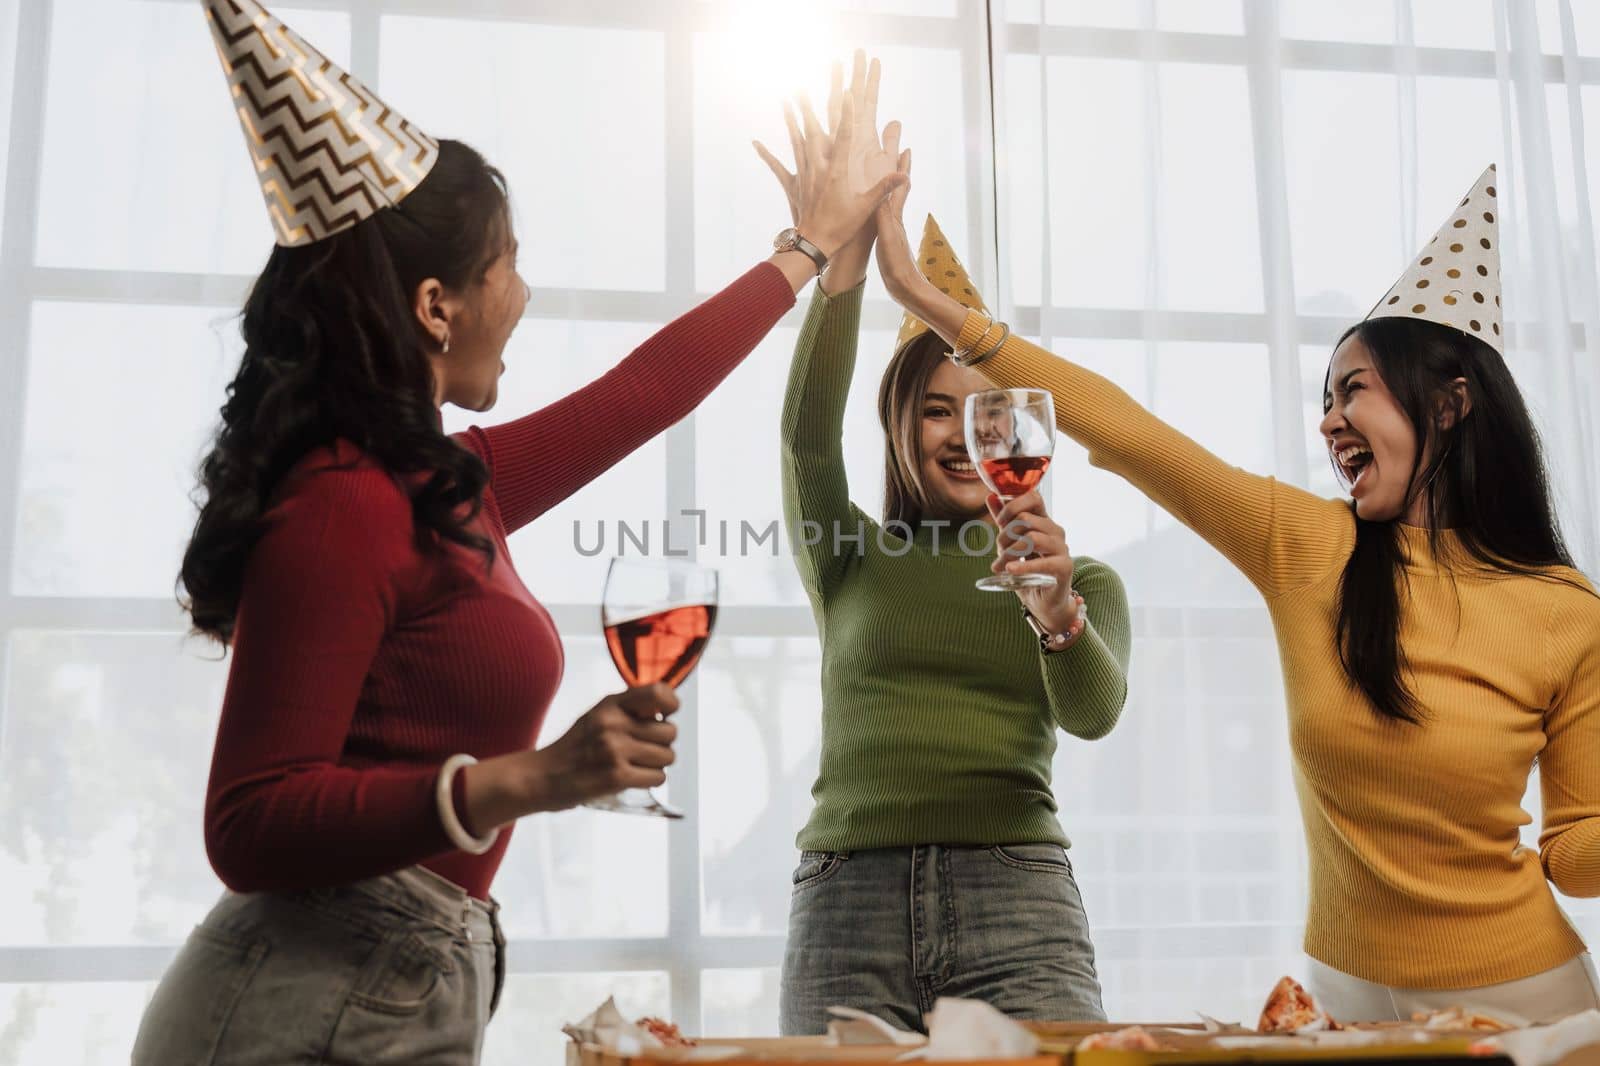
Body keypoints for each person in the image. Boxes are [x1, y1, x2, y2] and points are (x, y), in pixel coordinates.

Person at [132, 5, 903, 1061]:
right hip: (300, 1011)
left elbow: (647, 390)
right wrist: (525, 779)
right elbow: (249, 823)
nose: (526, 293)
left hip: (392, 985)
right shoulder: (341, 499)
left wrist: (806, 248)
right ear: (438, 306)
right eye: (510, 265)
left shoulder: (448, 486)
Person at [875, 157, 1600, 1024]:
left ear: (1449, 406)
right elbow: (1126, 431)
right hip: (1344, 1003)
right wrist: (927, 302)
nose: (1329, 421)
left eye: (1353, 392)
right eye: (1324, 399)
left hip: (1530, 1004)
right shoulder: (1307, 545)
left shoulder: (1568, 612)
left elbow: (1574, 855)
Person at [755, 58, 1131, 1034]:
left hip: (1019, 896)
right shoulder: (848, 555)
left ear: (1027, 438)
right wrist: (841, 265)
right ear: (898, 426)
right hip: (846, 899)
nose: (962, 438)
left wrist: (1056, 616)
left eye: (987, 416)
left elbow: (1091, 717)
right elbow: (804, 437)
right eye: (934, 411)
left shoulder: (1083, 579)